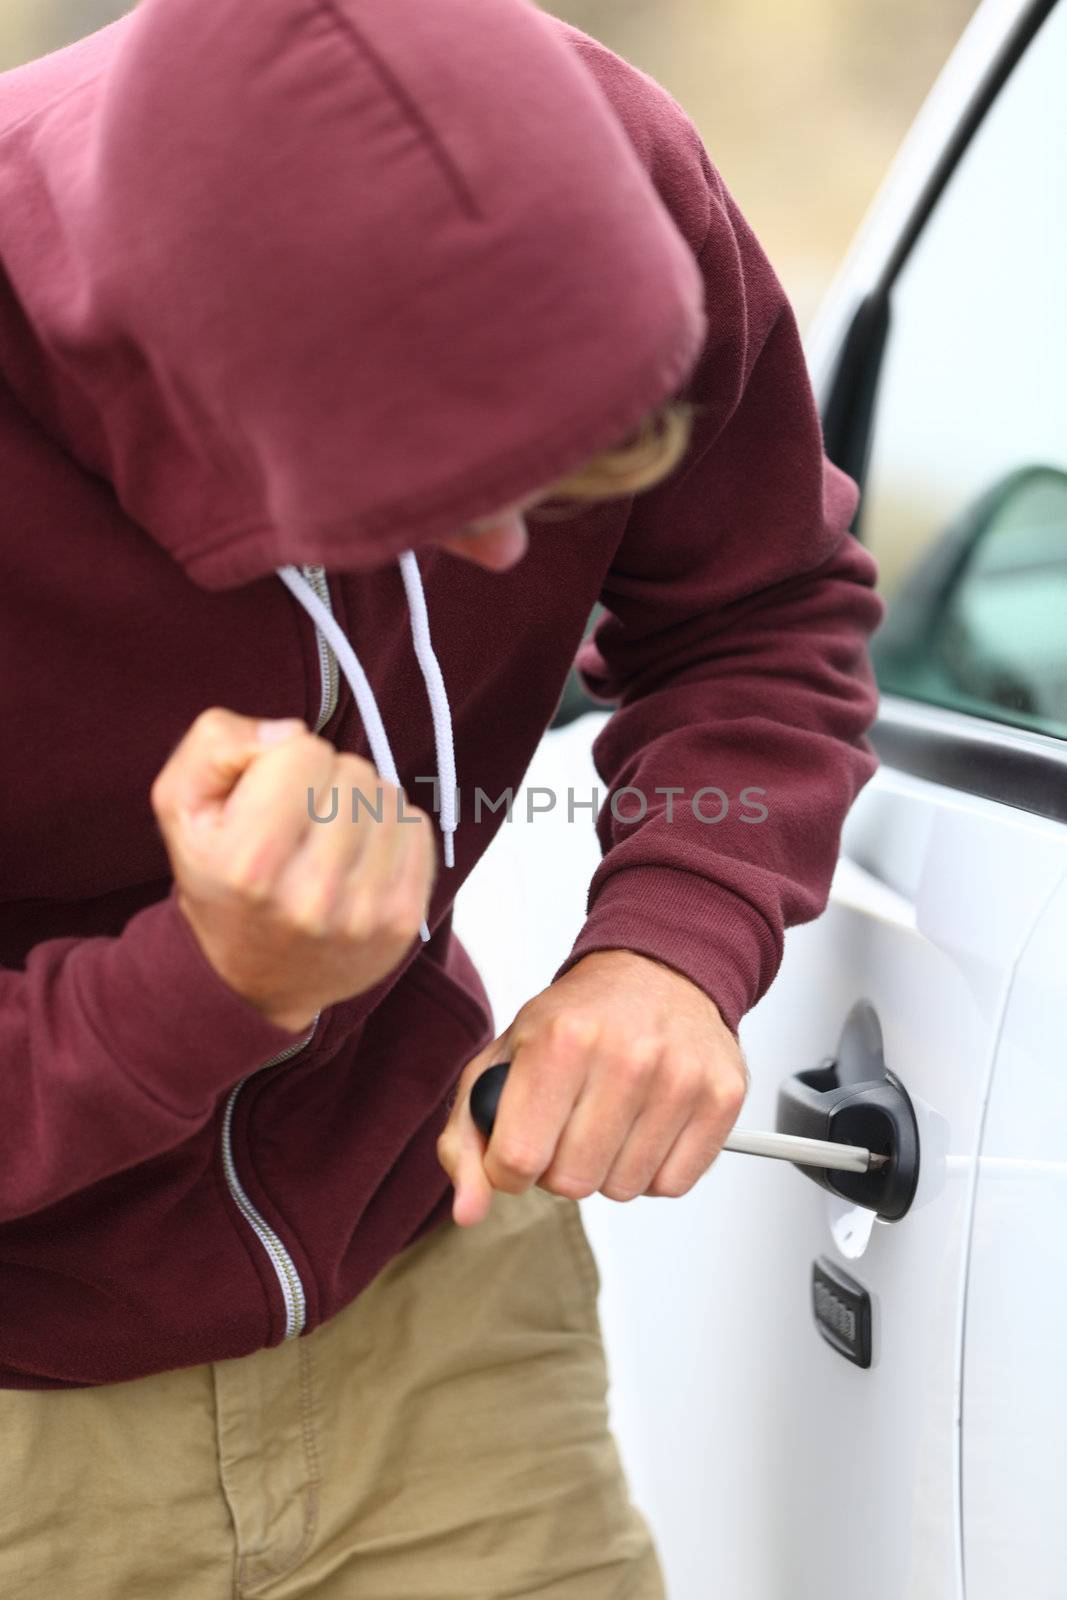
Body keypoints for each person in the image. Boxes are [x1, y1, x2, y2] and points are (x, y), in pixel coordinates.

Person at [0, 0, 885, 1594]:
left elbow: (762, 602)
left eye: (557, 483)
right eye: (416, 504)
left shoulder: (614, 177)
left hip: (444, 1303)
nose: (498, 561)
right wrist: (208, 996)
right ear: (176, 393)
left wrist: (673, 936)